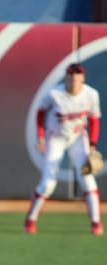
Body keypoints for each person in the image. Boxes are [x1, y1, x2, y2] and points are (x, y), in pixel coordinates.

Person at [25, 62, 103, 236]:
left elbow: (94, 119)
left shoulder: (91, 94)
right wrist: (40, 136)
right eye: (71, 75)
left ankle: (96, 223)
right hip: (56, 138)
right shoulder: (54, 94)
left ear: (82, 77)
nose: (74, 78)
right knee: (48, 184)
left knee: (88, 180)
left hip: (78, 138)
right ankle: (30, 219)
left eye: (77, 74)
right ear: (66, 77)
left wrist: (92, 145)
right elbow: (40, 112)